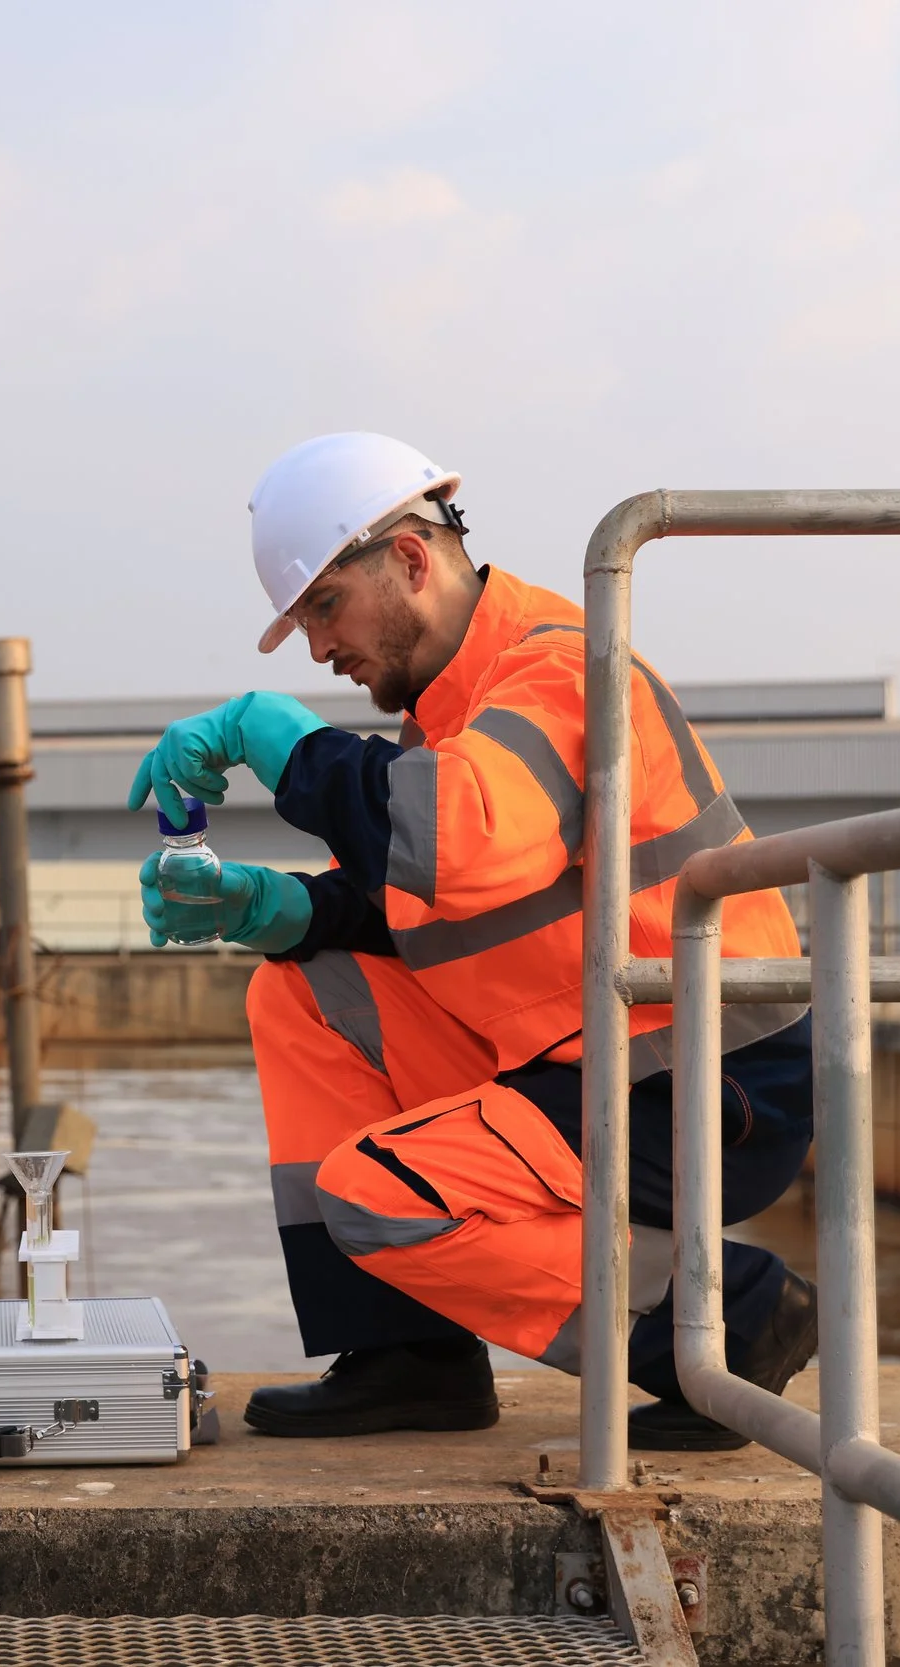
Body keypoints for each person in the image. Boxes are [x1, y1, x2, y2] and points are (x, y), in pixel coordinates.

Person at [130, 433, 816, 1451]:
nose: (321, 648)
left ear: (408, 560)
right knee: (304, 986)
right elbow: (453, 913)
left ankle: (722, 1322)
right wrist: (277, 907)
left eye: (324, 607)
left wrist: (278, 741)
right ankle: (410, 1354)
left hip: (704, 1079)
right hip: (591, 1056)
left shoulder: (556, 666)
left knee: (376, 1189)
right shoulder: (457, 708)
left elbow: (458, 838)